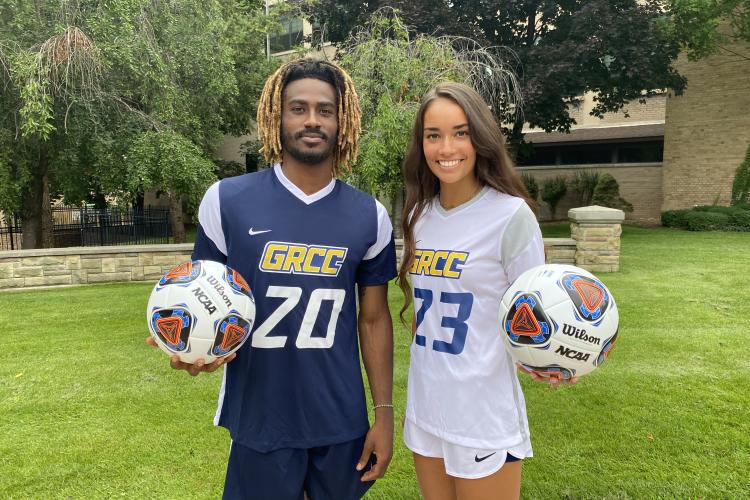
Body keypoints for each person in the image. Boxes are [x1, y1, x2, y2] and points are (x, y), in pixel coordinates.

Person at [147, 58, 396, 500]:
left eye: (326, 109)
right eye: (298, 108)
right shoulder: (226, 200)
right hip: (260, 416)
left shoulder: (369, 214)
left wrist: (384, 414)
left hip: (341, 419)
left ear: (344, 120)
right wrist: (191, 349)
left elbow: (374, 319)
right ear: (275, 117)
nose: (312, 120)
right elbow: (205, 294)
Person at [397, 82, 575, 500]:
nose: (446, 148)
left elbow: (537, 310)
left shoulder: (510, 216)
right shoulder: (418, 215)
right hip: (426, 407)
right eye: (433, 135)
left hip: (481, 412)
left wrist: (550, 358)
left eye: (460, 132)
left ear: (480, 138)